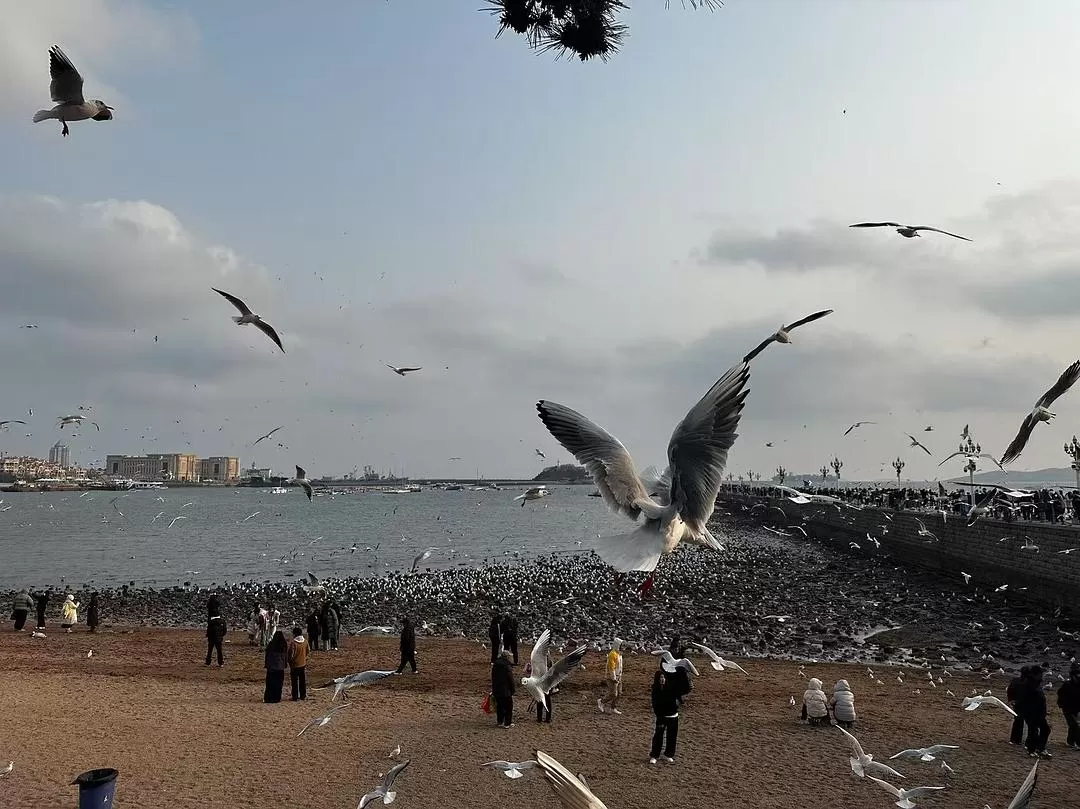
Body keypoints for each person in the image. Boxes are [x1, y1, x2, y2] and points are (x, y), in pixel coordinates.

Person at [1016, 666, 1052, 759]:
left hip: (1039, 712)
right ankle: (1031, 750)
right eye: (1040, 674)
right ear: (1036, 674)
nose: (1042, 676)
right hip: (1031, 713)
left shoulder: (1036, 683)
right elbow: (1025, 699)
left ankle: (1040, 748)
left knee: (1045, 729)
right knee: (1033, 731)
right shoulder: (1028, 684)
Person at [650, 670, 680, 764]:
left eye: (663, 678)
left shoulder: (671, 687)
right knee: (658, 736)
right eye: (660, 678)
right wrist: (659, 715)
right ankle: (655, 755)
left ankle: (669, 754)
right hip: (662, 716)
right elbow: (655, 704)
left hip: (673, 716)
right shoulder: (655, 689)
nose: (662, 680)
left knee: (672, 736)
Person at [1055, 662, 1080, 750]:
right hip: (1068, 709)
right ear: (1073, 676)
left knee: (1074, 726)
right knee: (1075, 725)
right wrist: (1061, 704)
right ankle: (1076, 743)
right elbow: (1060, 694)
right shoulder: (1067, 685)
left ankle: (1071, 742)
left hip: (1076, 708)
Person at [598, 638, 623, 715]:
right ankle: (601, 701)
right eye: (621, 645)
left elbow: (619, 666)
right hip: (612, 677)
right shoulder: (612, 654)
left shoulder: (618, 654)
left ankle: (613, 707)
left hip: (619, 676)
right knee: (613, 693)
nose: (622, 646)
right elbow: (611, 667)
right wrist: (614, 678)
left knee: (619, 693)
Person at [490, 649, 515, 728]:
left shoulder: (495, 665)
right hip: (505, 690)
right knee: (508, 707)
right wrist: (513, 689)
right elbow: (510, 679)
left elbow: (493, 677)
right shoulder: (507, 666)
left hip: (497, 689)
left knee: (499, 706)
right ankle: (507, 723)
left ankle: (500, 721)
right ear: (507, 657)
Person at [1007, 666, 1030, 745]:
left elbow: (1010, 690)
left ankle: (1014, 739)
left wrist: (1011, 700)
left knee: (1017, 721)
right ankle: (1019, 740)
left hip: (1017, 703)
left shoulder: (1016, 681)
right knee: (1027, 722)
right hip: (1025, 704)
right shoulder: (1029, 683)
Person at [264, 630, 287, 703]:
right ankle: (277, 698)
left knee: (270, 683)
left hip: (271, 667)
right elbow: (285, 657)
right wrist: (285, 664)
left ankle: (269, 698)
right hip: (280, 667)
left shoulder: (271, 645)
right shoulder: (283, 645)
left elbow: (267, 655)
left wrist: (266, 664)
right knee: (278, 684)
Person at [288, 626, 308, 700]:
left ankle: (295, 696)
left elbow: (291, 654)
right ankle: (303, 695)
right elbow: (308, 651)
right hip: (303, 663)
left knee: (294, 681)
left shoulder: (293, 643)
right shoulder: (305, 641)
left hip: (295, 665)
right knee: (302, 681)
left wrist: (290, 661)